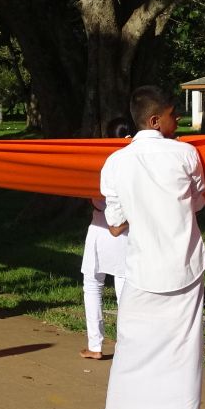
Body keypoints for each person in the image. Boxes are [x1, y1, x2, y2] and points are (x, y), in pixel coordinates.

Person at [81, 85, 205, 409]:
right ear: (155, 120)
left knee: (130, 358)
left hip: (142, 271)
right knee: (185, 361)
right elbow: (199, 201)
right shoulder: (187, 154)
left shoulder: (115, 163)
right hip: (184, 269)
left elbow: (115, 225)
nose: (179, 121)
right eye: (173, 115)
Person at [80, 117, 132, 360]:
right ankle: (127, 347)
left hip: (102, 229)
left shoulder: (98, 160)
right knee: (125, 289)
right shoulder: (138, 159)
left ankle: (95, 345)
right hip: (128, 230)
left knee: (93, 285)